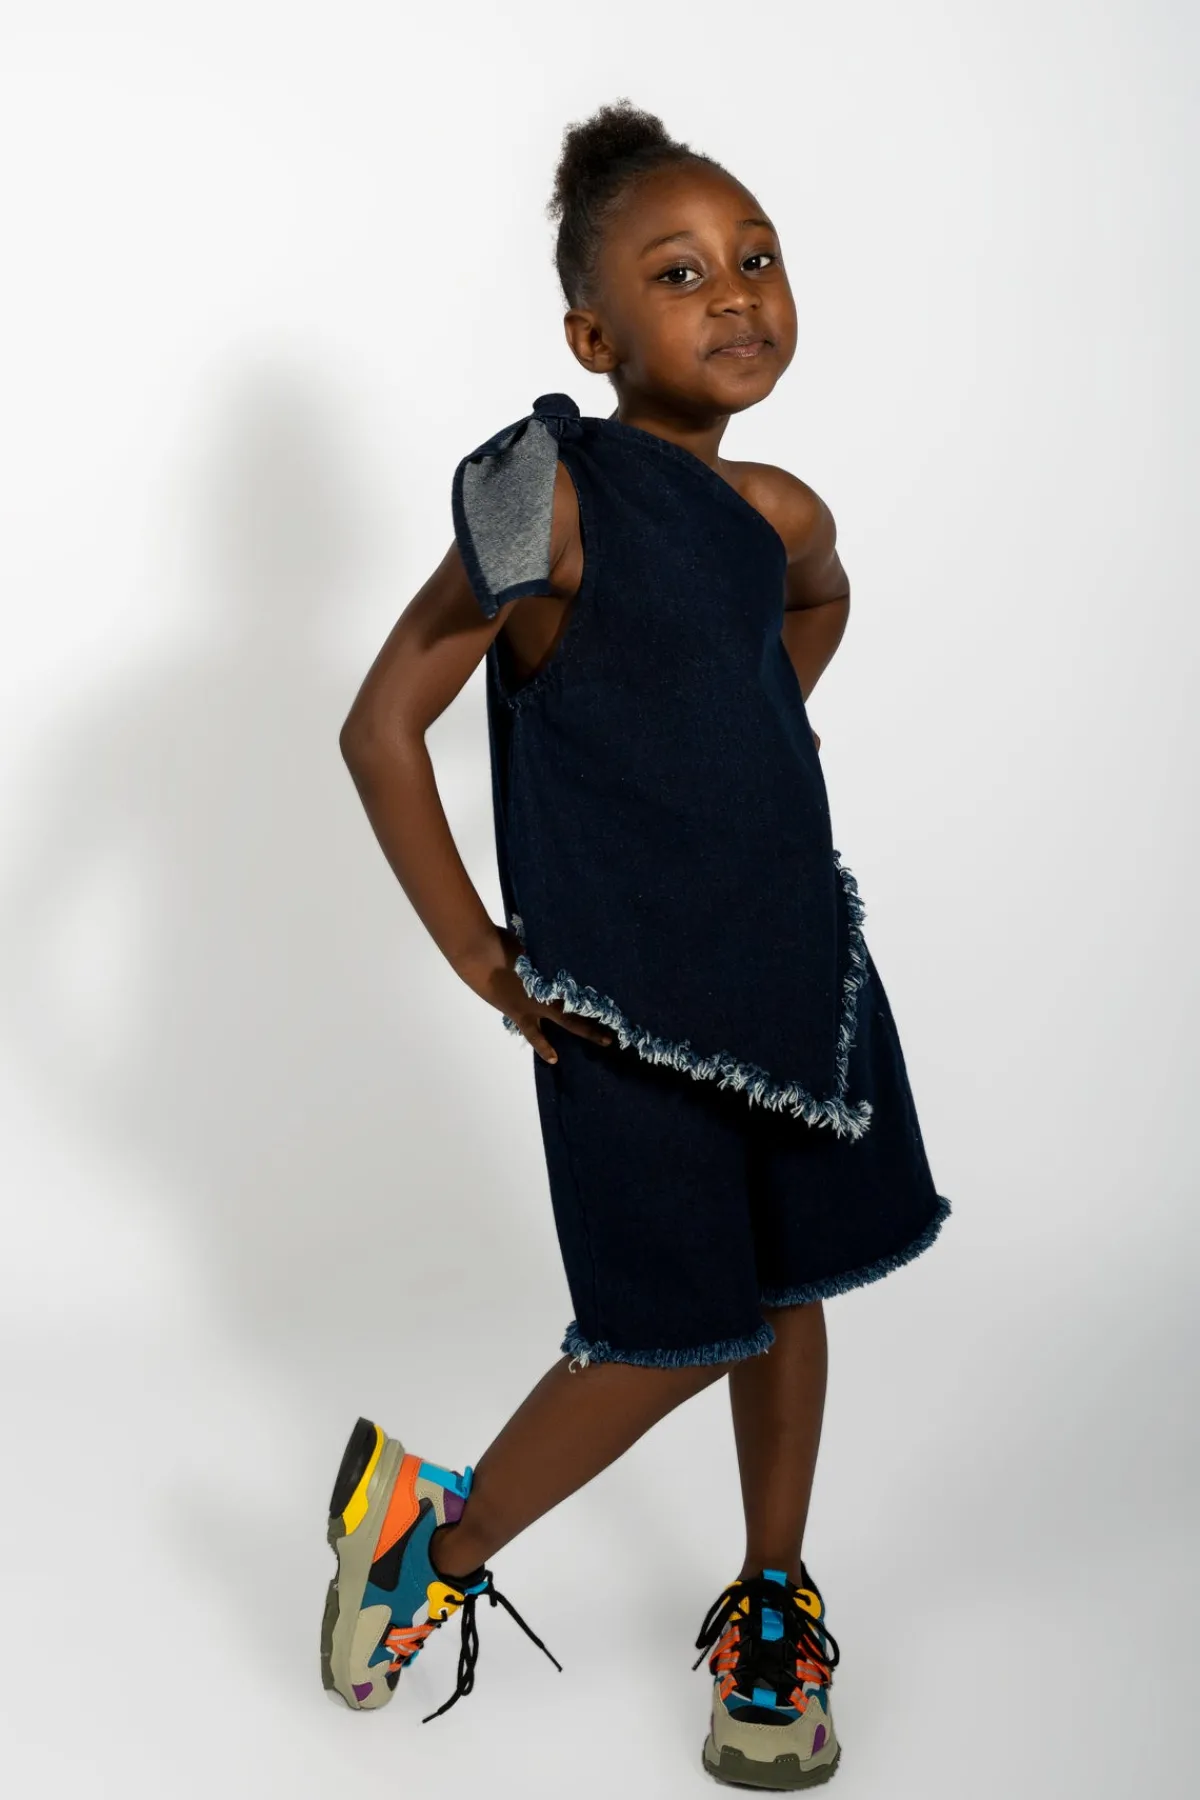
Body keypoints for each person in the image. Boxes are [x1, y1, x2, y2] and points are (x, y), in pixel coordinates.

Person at [325, 97, 952, 1790]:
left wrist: (746, 745)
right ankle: (433, 1542)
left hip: (794, 974)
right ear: (593, 336)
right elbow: (382, 727)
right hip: (623, 1013)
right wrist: (483, 958)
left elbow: (810, 608)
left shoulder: (781, 511)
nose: (735, 291)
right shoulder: (544, 498)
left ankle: (773, 1598)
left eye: (757, 257)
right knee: (671, 1330)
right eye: (680, 273)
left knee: (788, 1286)